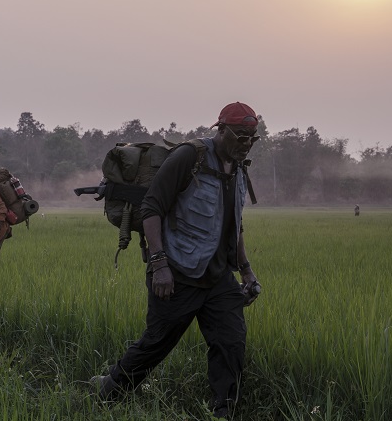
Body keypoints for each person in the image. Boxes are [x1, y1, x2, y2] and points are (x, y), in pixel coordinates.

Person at [90, 102, 263, 419]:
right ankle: (108, 390)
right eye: (241, 136)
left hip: (219, 277)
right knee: (156, 344)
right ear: (221, 130)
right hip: (178, 272)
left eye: (252, 137)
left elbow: (234, 223)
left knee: (231, 343)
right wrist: (159, 265)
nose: (247, 143)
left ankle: (223, 410)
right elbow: (151, 207)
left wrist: (247, 270)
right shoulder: (189, 157)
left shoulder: (239, 167)